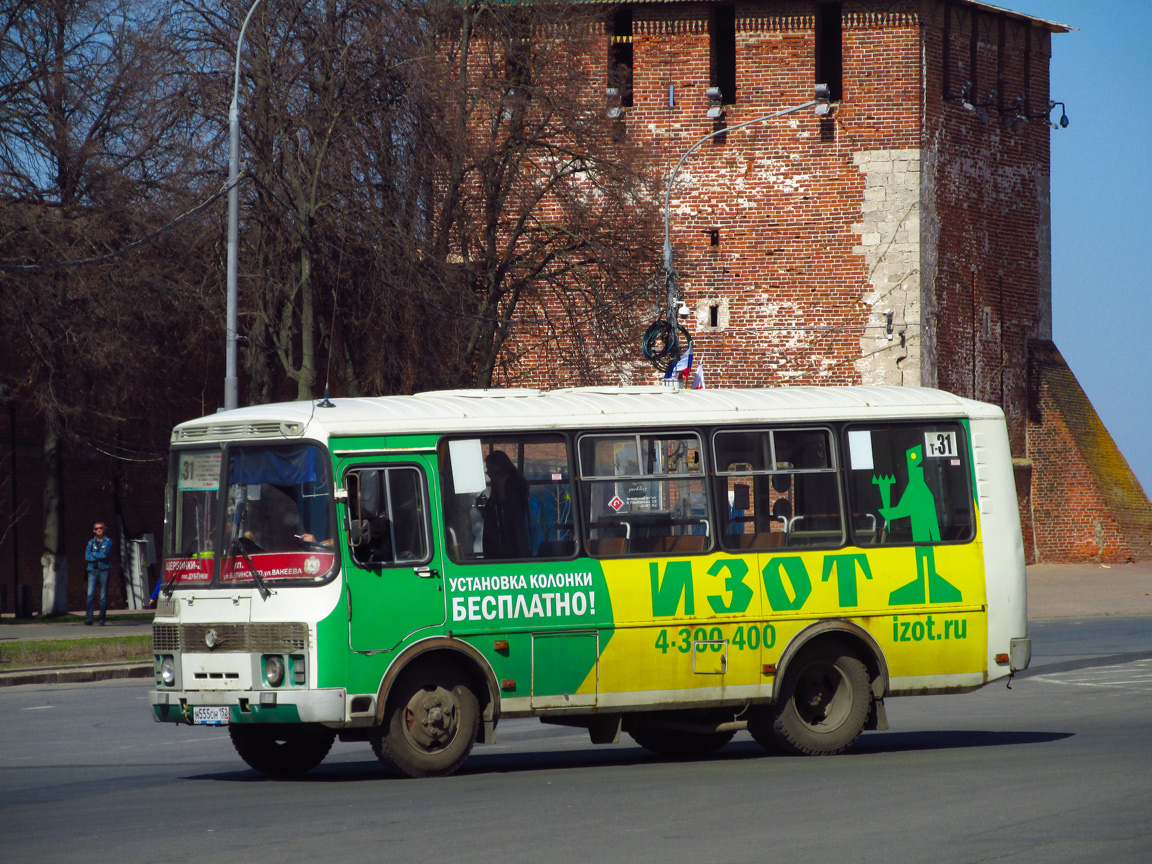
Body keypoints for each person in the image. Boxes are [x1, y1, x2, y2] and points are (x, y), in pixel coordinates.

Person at [481, 451, 530, 559]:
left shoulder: (513, 488)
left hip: (511, 549)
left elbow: (512, 518)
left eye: (490, 468)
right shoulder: (497, 488)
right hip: (498, 546)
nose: (487, 473)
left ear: (498, 468)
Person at [84, 521, 113, 625]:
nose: (99, 530)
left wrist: (94, 554)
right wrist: (96, 555)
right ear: (94, 531)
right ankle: (89, 618)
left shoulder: (108, 541)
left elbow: (104, 555)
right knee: (90, 594)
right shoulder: (90, 542)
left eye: (101, 528)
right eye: (96, 528)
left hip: (104, 570)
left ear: (104, 529)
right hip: (92, 570)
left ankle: (101, 619)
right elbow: (87, 556)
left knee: (103, 596)